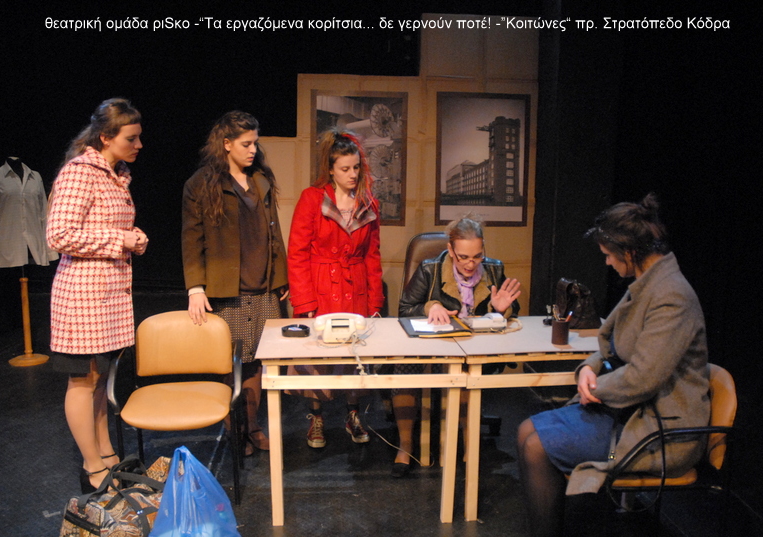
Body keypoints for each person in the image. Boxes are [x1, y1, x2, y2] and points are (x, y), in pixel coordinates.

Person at [515, 193, 710, 537]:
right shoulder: (647, 285)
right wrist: (588, 369)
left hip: (656, 432)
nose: (607, 263)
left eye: (608, 255)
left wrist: (595, 389)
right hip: (628, 412)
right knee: (526, 430)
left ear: (629, 252)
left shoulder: (671, 296)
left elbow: (644, 378)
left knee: (536, 446)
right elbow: (609, 342)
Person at [46, 98, 148, 493]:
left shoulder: (115, 174)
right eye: (131, 138)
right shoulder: (80, 172)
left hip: (107, 295)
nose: (139, 145)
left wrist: (132, 238)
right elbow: (59, 236)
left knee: (101, 380)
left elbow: (101, 227)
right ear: (106, 137)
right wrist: (119, 239)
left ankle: (106, 453)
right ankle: (91, 467)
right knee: (82, 382)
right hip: (82, 297)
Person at [182, 111, 288, 456]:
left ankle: (253, 426)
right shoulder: (201, 184)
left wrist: (281, 276)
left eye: (255, 143)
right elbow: (192, 239)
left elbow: (274, 231)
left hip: (263, 284)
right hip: (227, 288)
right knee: (230, 362)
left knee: (257, 360)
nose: (253, 149)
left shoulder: (260, 179)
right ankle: (236, 430)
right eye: (246, 144)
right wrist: (195, 287)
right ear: (226, 144)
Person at [395, 215, 521, 477]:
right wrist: (431, 306)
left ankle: (468, 446)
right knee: (403, 369)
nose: (470, 264)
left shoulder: (494, 270)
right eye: (463, 257)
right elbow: (405, 309)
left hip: (473, 349)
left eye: (477, 256)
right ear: (450, 250)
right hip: (433, 349)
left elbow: (512, 308)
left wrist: (500, 310)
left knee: (466, 372)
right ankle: (405, 445)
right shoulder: (430, 269)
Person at [287, 128, 384, 449]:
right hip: (321, 288)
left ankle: (352, 415)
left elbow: (372, 255)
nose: (352, 174)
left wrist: (375, 302)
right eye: (345, 169)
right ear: (330, 169)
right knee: (317, 357)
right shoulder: (312, 199)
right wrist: (304, 302)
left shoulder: (368, 203)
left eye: (356, 167)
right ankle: (316, 418)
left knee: (354, 356)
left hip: (355, 289)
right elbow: (297, 253)